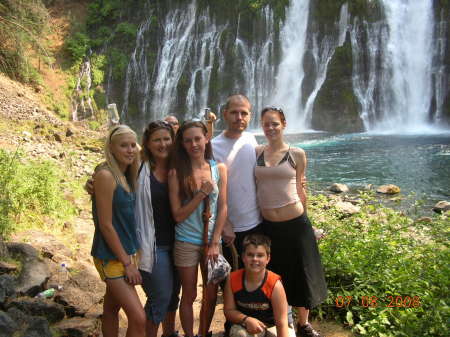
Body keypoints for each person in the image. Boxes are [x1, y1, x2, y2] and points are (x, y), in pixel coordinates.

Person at [255, 107, 327, 337]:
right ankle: (283, 324)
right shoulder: (256, 152)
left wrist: (309, 222)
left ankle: (304, 324)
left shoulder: (297, 154)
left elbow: (300, 188)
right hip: (269, 227)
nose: (270, 128)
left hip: (296, 224)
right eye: (266, 124)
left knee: (301, 273)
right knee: (276, 276)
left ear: (283, 124)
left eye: (275, 123)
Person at [168, 121, 228, 337]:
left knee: (211, 294)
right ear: (182, 144)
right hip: (185, 241)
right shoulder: (176, 173)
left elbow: (223, 207)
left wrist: (215, 242)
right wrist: (201, 193)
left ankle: (203, 332)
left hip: (213, 243)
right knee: (190, 294)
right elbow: (178, 215)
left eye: (197, 138)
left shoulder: (219, 169)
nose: (194, 144)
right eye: (188, 140)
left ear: (206, 138)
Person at [91, 125, 146, 337]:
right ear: (111, 148)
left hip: (123, 253)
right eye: (124, 146)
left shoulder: (128, 173)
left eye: (133, 145)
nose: (130, 150)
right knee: (138, 317)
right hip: (110, 256)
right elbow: (105, 224)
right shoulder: (106, 175)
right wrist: (127, 263)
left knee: (111, 309)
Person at [136, 120, 181, 337]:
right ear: (147, 143)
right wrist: (93, 183)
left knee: (174, 296)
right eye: (157, 140)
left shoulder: (180, 166)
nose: (163, 144)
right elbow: (110, 174)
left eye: (166, 139)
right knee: (160, 296)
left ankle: (169, 333)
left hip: (181, 242)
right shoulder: (137, 169)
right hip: (153, 245)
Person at [211, 94, 262, 266]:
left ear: (250, 116)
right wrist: (224, 223)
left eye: (244, 113)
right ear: (225, 114)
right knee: (231, 280)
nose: (239, 117)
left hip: (256, 222)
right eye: (234, 112)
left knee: (255, 274)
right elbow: (211, 189)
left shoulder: (251, 139)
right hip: (230, 226)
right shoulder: (213, 146)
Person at [223, 234, 295, 337]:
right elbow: (229, 311)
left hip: (271, 326)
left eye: (260, 255)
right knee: (240, 334)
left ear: (268, 258)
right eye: (250, 255)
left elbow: (281, 322)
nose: (255, 259)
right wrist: (246, 319)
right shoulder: (232, 279)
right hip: (244, 325)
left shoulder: (275, 284)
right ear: (243, 257)